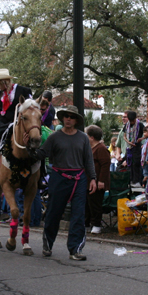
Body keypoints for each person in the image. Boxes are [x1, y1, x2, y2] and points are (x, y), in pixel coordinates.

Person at [32, 106, 97, 260]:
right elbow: (42, 154)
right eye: (66, 116)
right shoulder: (54, 137)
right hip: (59, 177)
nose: (68, 119)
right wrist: (28, 148)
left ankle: (75, 249)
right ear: (62, 119)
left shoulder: (83, 138)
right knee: (54, 212)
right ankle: (48, 244)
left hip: (79, 179)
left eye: (71, 117)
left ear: (76, 120)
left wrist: (93, 178)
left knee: (78, 214)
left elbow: (88, 160)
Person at [84, 125, 111, 234]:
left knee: (95, 203)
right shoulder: (90, 148)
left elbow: (105, 165)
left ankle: (96, 224)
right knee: (87, 203)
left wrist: (101, 181)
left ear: (91, 137)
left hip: (97, 181)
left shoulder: (101, 148)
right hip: (87, 181)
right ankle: (86, 223)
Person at [116, 111, 144, 188]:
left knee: (135, 163)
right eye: (130, 121)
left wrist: (141, 139)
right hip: (129, 147)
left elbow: (146, 134)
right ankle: (129, 180)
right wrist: (128, 142)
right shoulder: (127, 125)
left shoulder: (140, 125)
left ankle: (136, 180)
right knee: (128, 163)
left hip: (137, 146)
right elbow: (124, 136)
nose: (131, 122)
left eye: (133, 121)